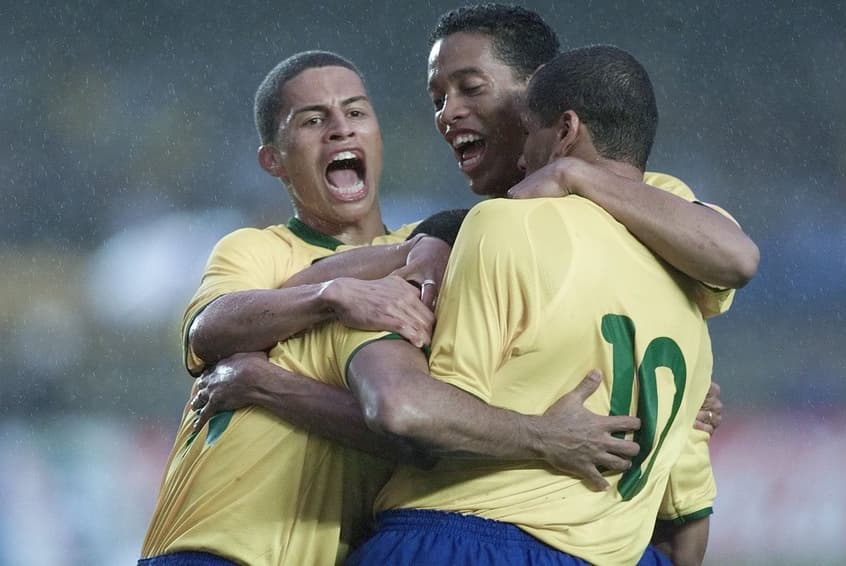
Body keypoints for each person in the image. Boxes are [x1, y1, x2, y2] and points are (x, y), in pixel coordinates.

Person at [139, 51, 644, 566]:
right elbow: (208, 333)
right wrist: (332, 295)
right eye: (313, 120)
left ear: (379, 138)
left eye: (356, 113)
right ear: (274, 160)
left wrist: (268, 384)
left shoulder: (441, 254)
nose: (340, 130)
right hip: (207, 546)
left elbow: (422, 427)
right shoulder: (255, 248)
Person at [343, 43, 717, 566]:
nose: (522, 157)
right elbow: (689, 512)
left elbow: (420, 422)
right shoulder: (693, 267)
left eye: (529, 135)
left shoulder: (505, 223)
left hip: (462, 538)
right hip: (614, 552)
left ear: (564, 131)